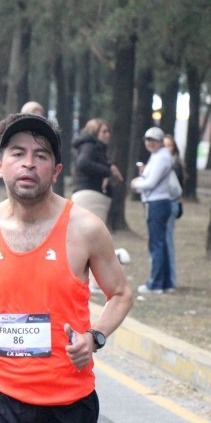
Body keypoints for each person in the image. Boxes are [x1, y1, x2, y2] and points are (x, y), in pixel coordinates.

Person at [0, 113, 134, 423]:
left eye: (41, 156)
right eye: (18, 153)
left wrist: (94, 337)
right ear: (0, 165)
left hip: (68, 404)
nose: (28, 163)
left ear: (56, 171)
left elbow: (122, 294)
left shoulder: (86, 229)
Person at [71, 118, 123, 293]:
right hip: (90, 195)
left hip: (92, 195)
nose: (107, 135)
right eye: (104, 131)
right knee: (94, 241)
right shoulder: (90, 146)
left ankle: (90, 281)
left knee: (91, 241)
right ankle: (92, 282)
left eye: (108, 131)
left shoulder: (94, 147)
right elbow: (83, 163)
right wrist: (107, 171)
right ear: (95, 132)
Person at [130, 126, 175, 294]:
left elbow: (150, 183)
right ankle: (166, 282)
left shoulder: (161, 157)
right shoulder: (158, 156)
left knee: (156, 244)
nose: (150, 143)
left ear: (161, 141)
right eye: (147, 139)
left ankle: (155, 284)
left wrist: (136, 184)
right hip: (157, 202)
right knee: (161, 243)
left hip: (157, 203)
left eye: (154, 140)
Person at [163, 134, 184, 289]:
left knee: (167, 241)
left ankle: (170, 279)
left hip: (170, 204)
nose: (166, 149)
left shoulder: (174, 166)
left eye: (169, 145)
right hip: (168, 203)